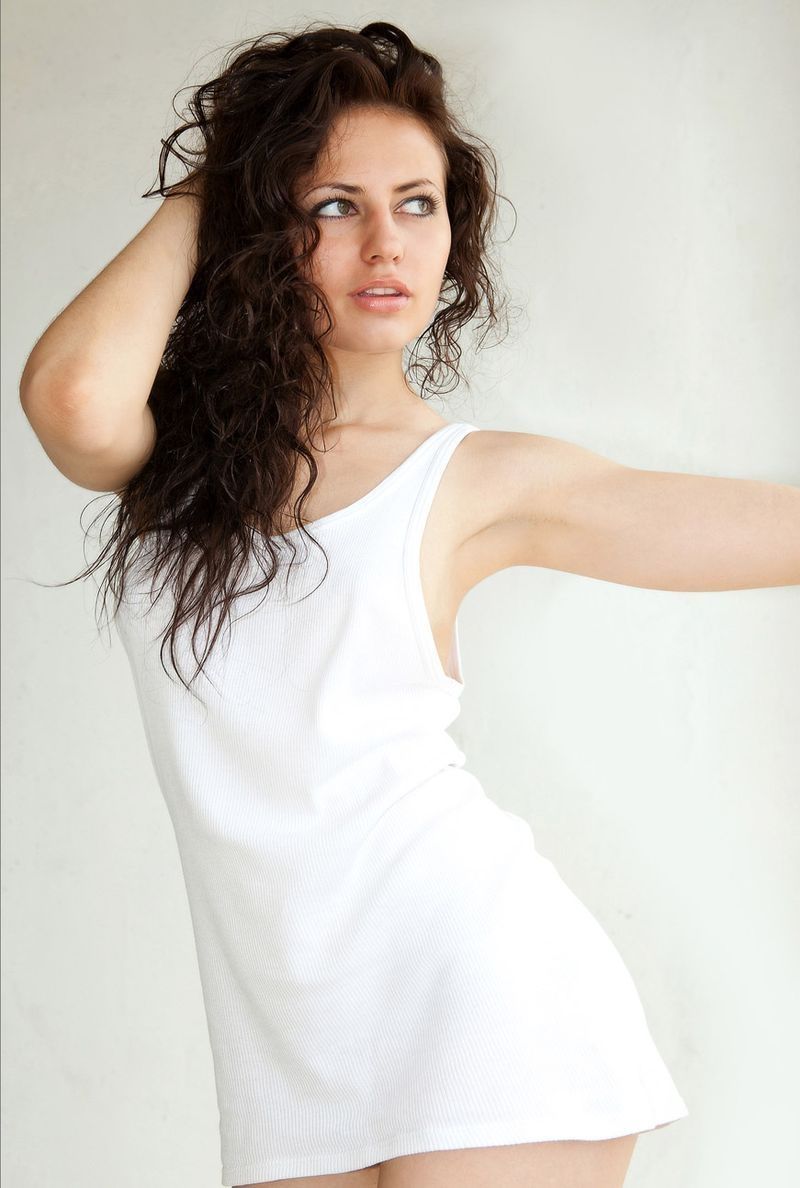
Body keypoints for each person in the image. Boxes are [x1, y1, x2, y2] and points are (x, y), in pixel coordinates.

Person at [18, 21, 799, 1188]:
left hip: (482, 1001)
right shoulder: (172, 465)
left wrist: (291, 183)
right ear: (256, 226)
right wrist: (226, 178)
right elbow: (71, 394)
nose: (386, 241)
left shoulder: (472, 477)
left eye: (418, 202)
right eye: (332, 204)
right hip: (289, 1050)